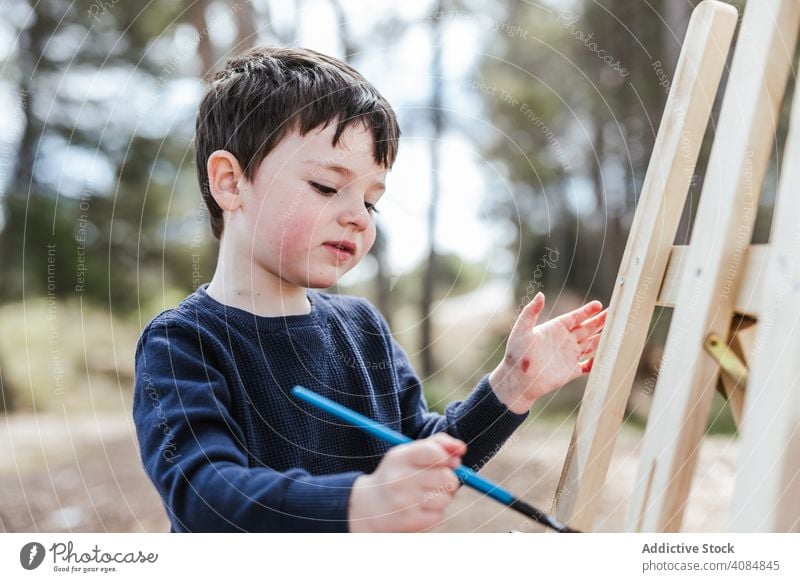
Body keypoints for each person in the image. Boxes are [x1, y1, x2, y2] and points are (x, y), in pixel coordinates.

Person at [133, 46, 607, 533]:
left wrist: (512, 386)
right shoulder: (181, 344)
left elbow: (424, 452)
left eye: (372, 201)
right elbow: (203, 493)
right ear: (230, 183)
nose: (358, 216)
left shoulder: (362, 328)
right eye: (324, 185)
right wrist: (357, 502)